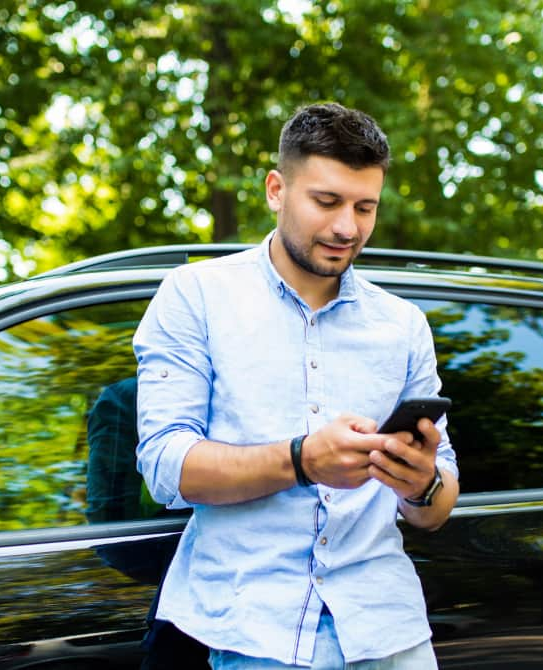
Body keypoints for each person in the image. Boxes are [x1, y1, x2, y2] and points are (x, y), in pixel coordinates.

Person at [133, 102, 459, 670]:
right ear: (276, 189)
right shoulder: (195, 296)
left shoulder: (403, 325)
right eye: (327, 202)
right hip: (251, 634)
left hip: (390, 633)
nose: (347, 228)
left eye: (365, 207)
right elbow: (165, 466)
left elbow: (434, 508)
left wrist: (422, 483)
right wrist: (303, 460)